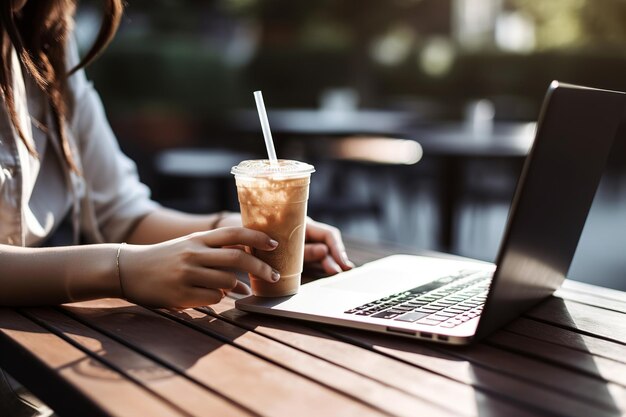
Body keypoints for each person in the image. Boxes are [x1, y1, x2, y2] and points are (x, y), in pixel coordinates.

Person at [0, 1, 354, 414]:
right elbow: (127, 241)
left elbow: (123, 213)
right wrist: (122, 270)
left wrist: (237, 230)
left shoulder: (44, 35)